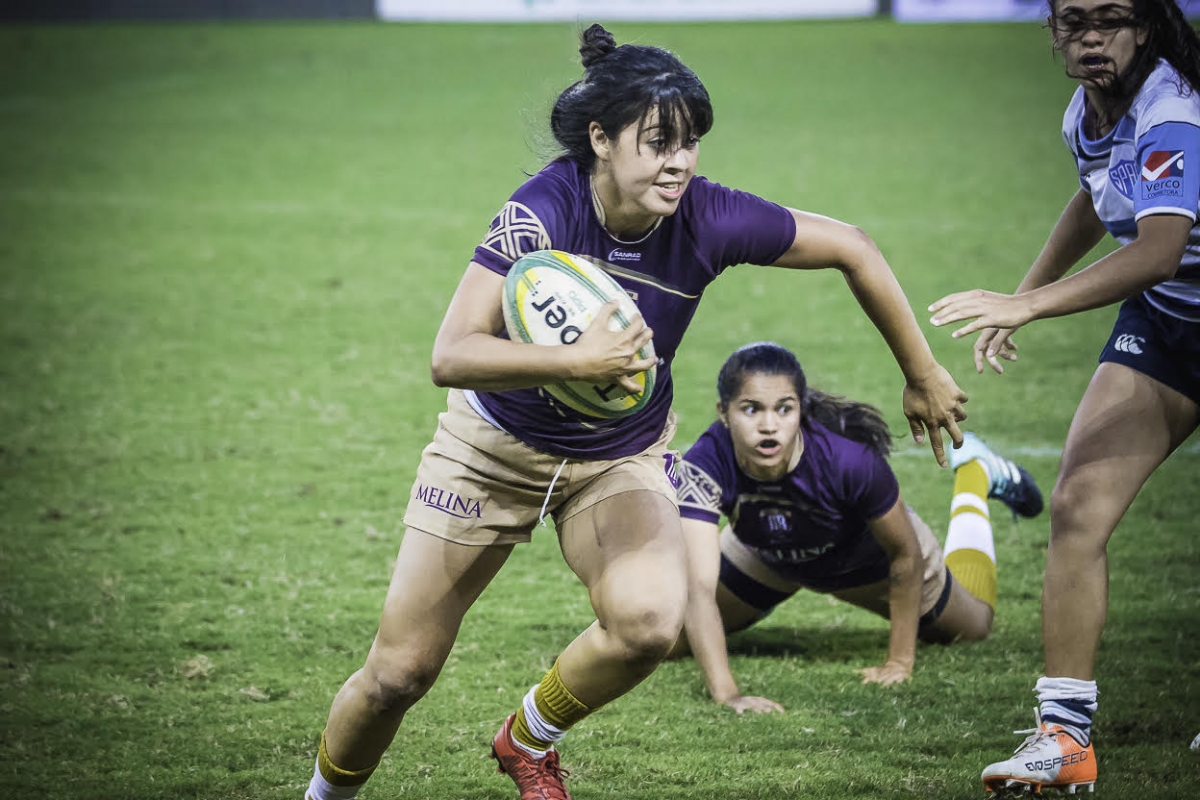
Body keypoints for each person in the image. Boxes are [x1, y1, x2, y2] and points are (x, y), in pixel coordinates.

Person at [305, 24, 967, 800]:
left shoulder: (708, 217)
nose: (680, 162)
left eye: (691, 143)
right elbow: (450, 354)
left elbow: (854, 246)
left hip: (617, 456)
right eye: (658, 143)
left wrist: (922, 372)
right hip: (491, 448)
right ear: (601, 139)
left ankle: (527, 741)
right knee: (399, 673)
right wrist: (576, 362)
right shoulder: (543, 209)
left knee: (649, 624)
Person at [928, 0, 1200, 794]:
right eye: (1074, 21)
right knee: (1079, 507)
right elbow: (1096, 196)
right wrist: (1023, 293)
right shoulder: (1086, 114)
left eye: (1110, 18)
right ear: (1053, 31)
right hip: (1171, 325)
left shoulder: (1172, 111)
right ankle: (1065, 737)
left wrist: (1028, 308)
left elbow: (1158, 249)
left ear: (1145, 26)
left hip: (1167, 291)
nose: (1091, 36)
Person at [670, 342, 1043, 713]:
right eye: (751, 409)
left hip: (868, 565)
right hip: (766, 552)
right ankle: (757, 602)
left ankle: (976, 475)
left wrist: (899, 662)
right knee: (669, 638)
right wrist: (728, 696)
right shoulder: (704, 462)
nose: (769, 426)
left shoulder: (847, 459)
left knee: (973, 628)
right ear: (724, 412)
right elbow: (698, 589)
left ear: (801, 409)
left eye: (784, 409)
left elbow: (905, 554)